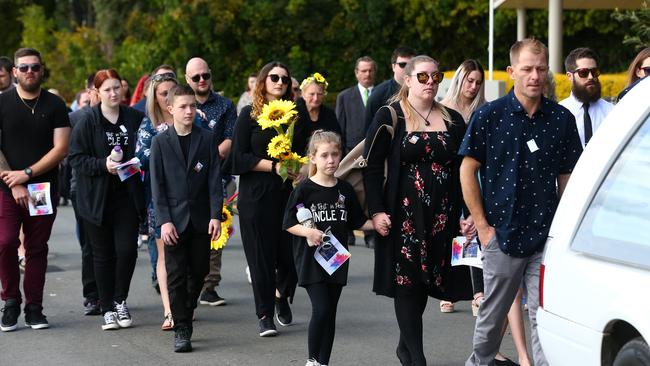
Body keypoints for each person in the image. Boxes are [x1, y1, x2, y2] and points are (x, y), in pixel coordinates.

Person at [459, 39, 583, 366]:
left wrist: (565, 229)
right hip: (502, 234)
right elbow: (467, 170)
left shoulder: (561, 119)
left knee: (545, 318)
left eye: (541, 68)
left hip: (547, 238)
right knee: (492, 317)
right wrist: (483, 228)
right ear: (512, 71)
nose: (534, 75)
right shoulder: (490, 115)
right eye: (527, 68)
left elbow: (568, 177)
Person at [363, 55, 472, 366]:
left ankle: (405, 346)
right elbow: (371, 167)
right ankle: (417, 358)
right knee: (407, 283)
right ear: (407, 80)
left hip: (442, 217)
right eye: (423, 77)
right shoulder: (390, 115)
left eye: (436, 77)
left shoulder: (452, 119)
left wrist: (468, 214)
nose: (430, 83)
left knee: (425, 282)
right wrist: (376, 211)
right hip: (403, 217)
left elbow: (465, 169)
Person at [443, 59, 532, 366]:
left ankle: (479, 297)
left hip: (483, 188)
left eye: (478, 81)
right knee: (466, 244)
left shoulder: (488, 111)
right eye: (469, 80)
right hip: (454, 185)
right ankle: (454, 291)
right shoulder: (445, 111)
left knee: (491, 263)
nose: (474, 86)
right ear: (459, 80)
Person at [284, 130, 373, 366]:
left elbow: (357, 221)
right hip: (310, 260)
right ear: (313, 158)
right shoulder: (303, 189)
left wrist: (378, 224)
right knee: (321, 309)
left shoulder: (345, 189)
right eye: (324, 155)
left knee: (330, 312)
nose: (331, 160)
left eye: (335, 154)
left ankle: (324, 362)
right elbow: (289, 223)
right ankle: (312, 360)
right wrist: (309, 232)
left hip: (336, 260)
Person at [68, 69, 145, 331]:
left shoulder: (135, 117)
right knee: (101, 255)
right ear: (97, 93)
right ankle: (107, 308)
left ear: (123, 89)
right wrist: (104, 165)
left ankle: (120, 300)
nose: (113, 94)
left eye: (116, 88)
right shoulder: (87, 121)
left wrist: (136, 162)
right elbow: (76, 159)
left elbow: (146, 150)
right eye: (107, 90)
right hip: (95, 198)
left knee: (126, 251)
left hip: (127, 196)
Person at [0, 48, 70, 331]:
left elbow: (61, 148)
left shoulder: (54, 104)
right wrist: (13, 181)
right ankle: (11, 301)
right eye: (24, 67)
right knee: (5, 243)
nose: (30, 72)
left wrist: (26, 175)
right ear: (15, 72)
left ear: (42, 70)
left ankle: (34, 308)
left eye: (35, 67)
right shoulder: (2, 103)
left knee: (36, 248)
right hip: (5, 188)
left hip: (43, 187)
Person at [149, 84, 223, 352]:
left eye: (192, 106)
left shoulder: (206, 138)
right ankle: (182, 327)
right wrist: (164, 220)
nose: (189, 110)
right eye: (183, 106)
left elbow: (215, 180)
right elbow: (157, 185)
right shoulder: (160, 142)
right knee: (177, 274)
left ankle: (188, 306)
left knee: (200, 270)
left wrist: (216, 215)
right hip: (173, 221)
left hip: (202, 219)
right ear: (171, 109)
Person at [229, 61, 299, 337]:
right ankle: (265, 314)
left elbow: (306, 151)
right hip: (255, 198)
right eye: (274, 77)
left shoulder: (294, 117)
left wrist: (299, 167)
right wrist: (272, 166)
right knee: (261, 260)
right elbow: (237, 159)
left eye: (284, 78)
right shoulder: (248, 115)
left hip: (287, 197)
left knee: (292, 258)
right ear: (262, 82)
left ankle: (281, 294)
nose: (280, 82)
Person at [185, 57, 237, 307]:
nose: (202, 80)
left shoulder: (226, 105)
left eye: (205, 75)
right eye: (196, 77)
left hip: (220, 178)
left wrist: (205, 159)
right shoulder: (183, 105)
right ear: (187, 80)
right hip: (187, 183)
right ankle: (186, 281)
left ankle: (210, 285)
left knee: (218, 232)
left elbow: (229, 140)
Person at [135, 72, 180, 330]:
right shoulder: (148, 124)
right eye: (163, 93)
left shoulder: (190, 116)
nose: (168, 98)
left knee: (192, 258)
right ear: (155, 96)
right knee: (165, 253)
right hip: (159, 196)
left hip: (190, 197)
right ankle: (169, 310)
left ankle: (185, 301)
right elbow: (140, 158)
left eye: (172, 92)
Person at [68, 72, 102, 316]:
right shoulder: (76, 118)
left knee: (111, 246)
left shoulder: (123, 117)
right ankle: (92, 294)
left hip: (112, 189)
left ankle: (111, 293)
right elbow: (72, 157)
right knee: (89, 245)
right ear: (89, 91)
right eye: (99, 89)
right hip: (81, 188)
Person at [335, 56, 377, 248]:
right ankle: (348, 231)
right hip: (350, 153)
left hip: (374, 153)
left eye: (370, 70)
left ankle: (369, 233)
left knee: (369, 193)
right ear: (356, 73)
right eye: (363, 70)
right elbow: (339, 127)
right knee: (347, 193)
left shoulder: (381, 94)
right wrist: (340, 155)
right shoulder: (345, 96)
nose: (367, 74)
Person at [560, 47, 614, 147]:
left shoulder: (611, 111)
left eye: (594, 72)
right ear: (570, 76)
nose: (590, 77)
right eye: (583, 72)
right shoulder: (560, 112)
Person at [364, 47, 417, 132]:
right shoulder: (378, 94)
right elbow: (369, 131)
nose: (408, 68)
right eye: (402, 64)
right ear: (393, 67)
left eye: (411, 65)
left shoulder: (422, 90)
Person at [294, 72, 341, 157]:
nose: (315, 98)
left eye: (319, 94)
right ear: (303, 94)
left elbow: (337, 138)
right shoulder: (295, 114)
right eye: (311, 94)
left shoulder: (329, 114)